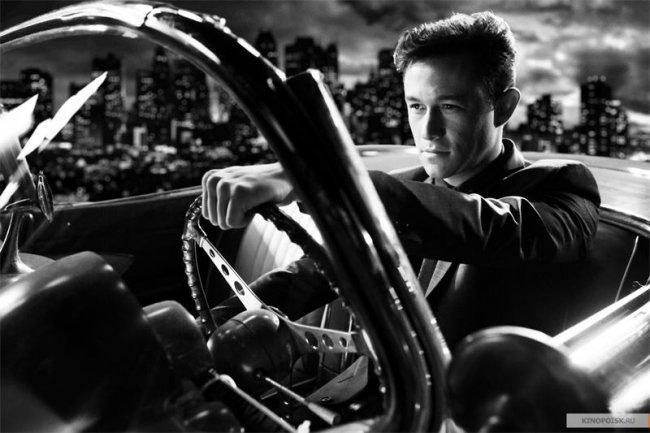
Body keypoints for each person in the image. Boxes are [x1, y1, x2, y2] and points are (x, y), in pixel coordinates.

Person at [201, 12, 600, 348]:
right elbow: (316, 272)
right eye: (416, 106)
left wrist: (315, 176)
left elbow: (491, 229)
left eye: (450, 106)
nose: (428, 130)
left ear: (505, 107)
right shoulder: (404, 186)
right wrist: (204, 327)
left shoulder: (563, 188)